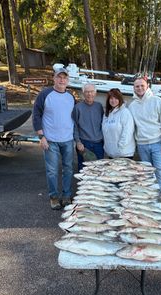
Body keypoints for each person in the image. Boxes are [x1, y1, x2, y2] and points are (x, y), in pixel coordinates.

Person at [32, 68, 75, 210]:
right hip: (50, 140)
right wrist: (41, 136)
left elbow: (72, 117)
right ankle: (54, 197)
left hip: (68, 139)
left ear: (67, 80)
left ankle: (67, 195)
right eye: (59, 77)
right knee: (52, 170)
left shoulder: (70, 97)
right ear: (54, 78)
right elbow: (36, 115)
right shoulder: (45, 94)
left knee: (68, 169)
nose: (62, 80)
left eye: (64, 78)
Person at [128, 77, 161, 204]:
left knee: (160, 174)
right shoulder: (132, 106)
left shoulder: (157, 101)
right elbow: (131, 128)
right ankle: (152, 203)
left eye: (142, 85)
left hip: (158, 144)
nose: (140, 88)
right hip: (142, 145)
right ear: (134, 88)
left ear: (147, 86)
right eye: (137, 86)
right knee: (147, 176)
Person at [72, 83, 104, 171]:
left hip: (99, 143)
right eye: (87, 92)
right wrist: (78, 142)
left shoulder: (99, 106)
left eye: (91, 92)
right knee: (84, 170)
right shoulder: (77, 107)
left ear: (95, 93)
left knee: (99, 169)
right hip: (84, 144)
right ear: (83, 93)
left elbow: (103, 124)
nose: (89, 94)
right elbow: (74, 126)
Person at [102, 88, 135, 159]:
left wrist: (119, 148)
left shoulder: (125, 112)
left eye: (116, 98)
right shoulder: (107, 114)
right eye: (111, 98)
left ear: (120, 99)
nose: (113, 100)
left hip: (123, 154)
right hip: (111, 153)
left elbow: (127, 133)